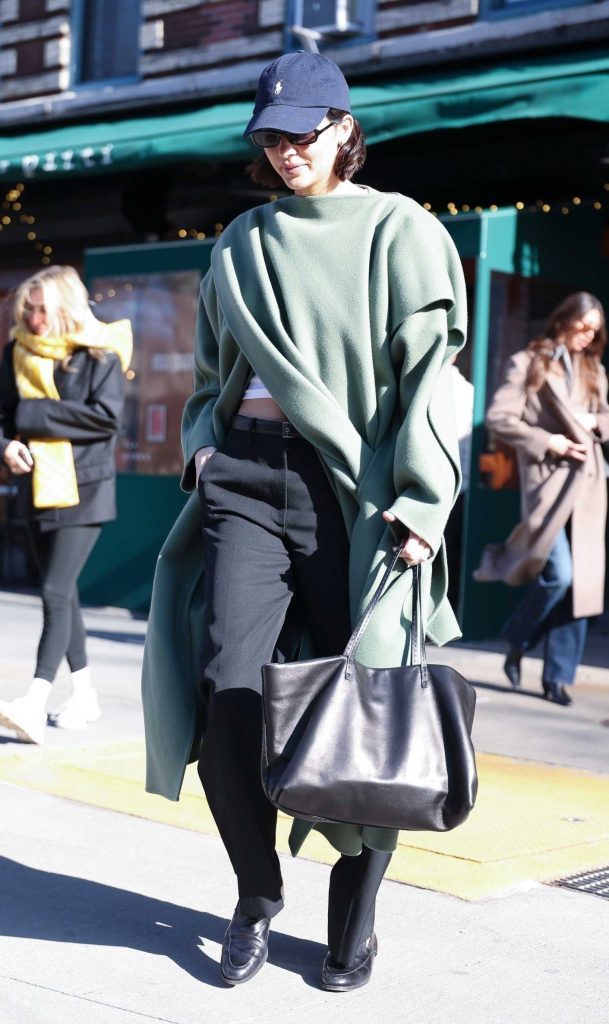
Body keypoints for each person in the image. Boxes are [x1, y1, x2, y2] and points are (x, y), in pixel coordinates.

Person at [142, 51, 467, 992]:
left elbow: (432, 382)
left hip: (356, 497)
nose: (288, 151)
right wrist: (202, 448)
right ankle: (255, 891)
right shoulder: (241, 241)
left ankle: (353, 918)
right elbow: (209, 381)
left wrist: (422, 498)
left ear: (343, 130)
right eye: (272, 137)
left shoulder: (399, 231)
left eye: (304, 132)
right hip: (245, 480)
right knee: (225, 695)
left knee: (372, 707)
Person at [0, 265, 132, 743]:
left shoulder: (101, 353)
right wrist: (6, 445)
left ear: (66, 308)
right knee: (65, 592)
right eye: (28, 309)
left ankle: (33, 702)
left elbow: (105, 419)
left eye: (44, 309)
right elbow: (3, 415)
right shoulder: (17, 351)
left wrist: (31, 417)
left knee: (55, 591)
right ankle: (84, 695)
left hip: (84, 489)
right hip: (34, 485)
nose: (34, 319)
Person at [474, 292, 609, 705]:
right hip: (549, 485)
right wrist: (548, 440)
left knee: (582, 585)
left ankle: (557, 678)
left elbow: (605, 417)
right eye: (582, 326)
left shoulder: (594, 371)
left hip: (587, 484)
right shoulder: (529, 363)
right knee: (559, 575)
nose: (588, 336)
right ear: (563, 319)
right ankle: (517, 637)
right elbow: (499, 418)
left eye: (595, 331)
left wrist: (593, 422)